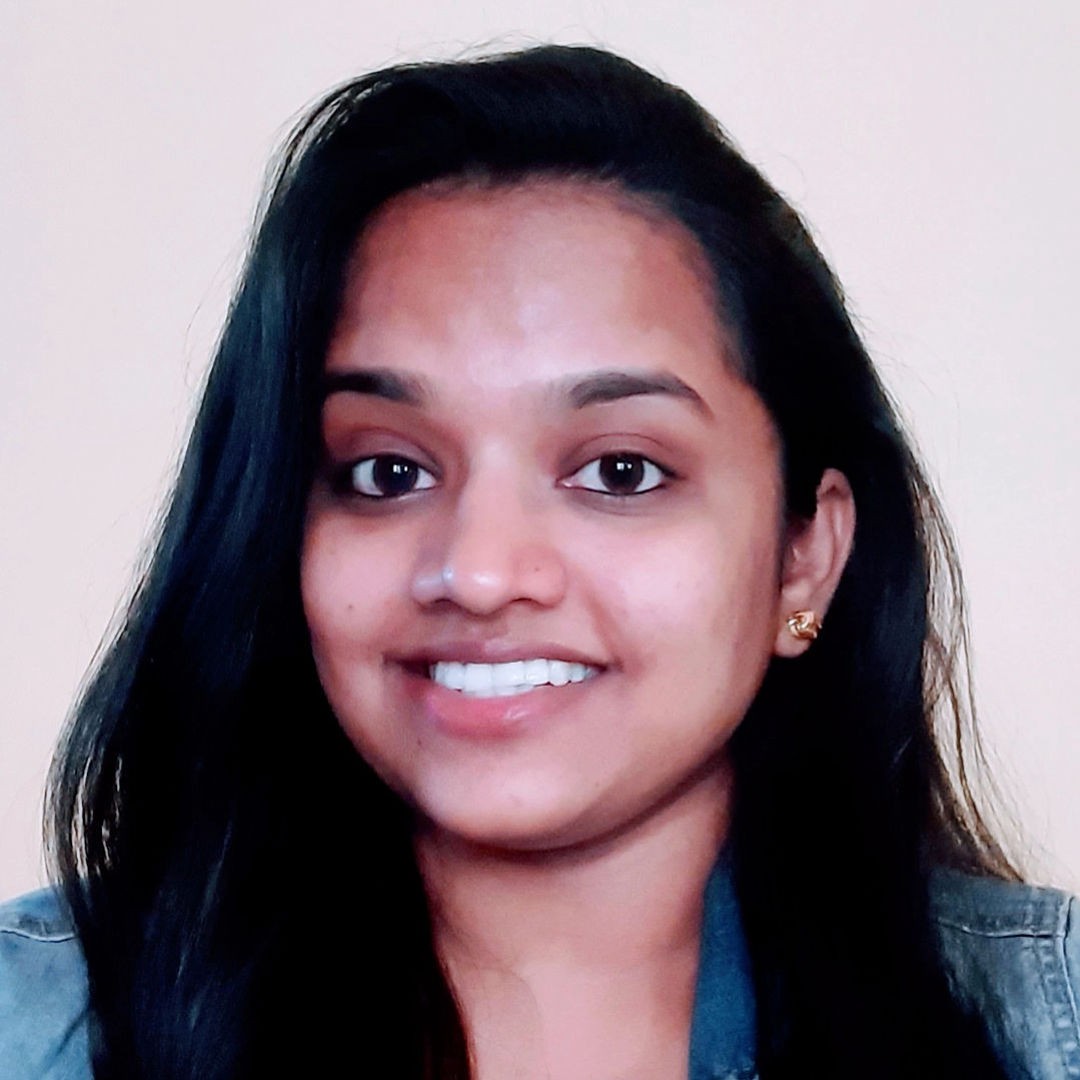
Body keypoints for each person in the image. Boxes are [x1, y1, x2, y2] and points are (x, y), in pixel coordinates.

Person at [1, 43, 1077, 1080]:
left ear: (805, 558)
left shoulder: (1045, 1026)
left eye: (619, 471)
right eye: (386, 472)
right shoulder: (34, 1024)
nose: (478, 573)